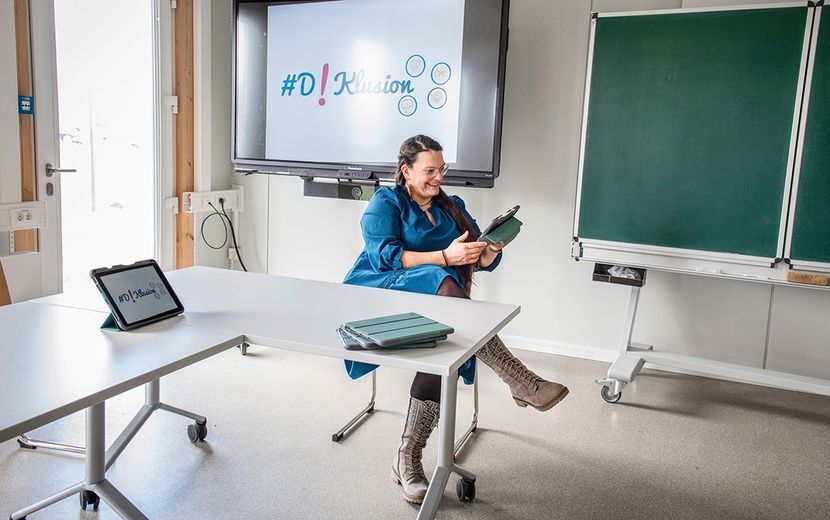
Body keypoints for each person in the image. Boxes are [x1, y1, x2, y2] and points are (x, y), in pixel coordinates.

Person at [343, 134, 568, 504]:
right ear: (406, 172)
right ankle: (518, 378)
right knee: (441, 281)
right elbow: (385, 258)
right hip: (380, 292)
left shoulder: (453, 205)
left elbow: (478, 258)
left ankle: (407, 458)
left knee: (444, 337)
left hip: (436, 302)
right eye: (429, 170)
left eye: (441, 169)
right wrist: (446, 257)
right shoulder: (385, 202)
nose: (438, 177)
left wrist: (489, 248)